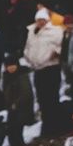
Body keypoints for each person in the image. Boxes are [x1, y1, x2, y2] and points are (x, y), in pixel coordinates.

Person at [23, 8, 64, 136]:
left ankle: (55, 127)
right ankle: (46, 126)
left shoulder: (55, 31)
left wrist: (55, 53)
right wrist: (28, 57)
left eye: (43, 20)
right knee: (42, 99)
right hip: (37, 69)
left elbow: (61, 46)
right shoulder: (32, 31)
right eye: (38, 20)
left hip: (50, 68)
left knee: (52, 98)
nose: (40, 22)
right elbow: (28, 47)